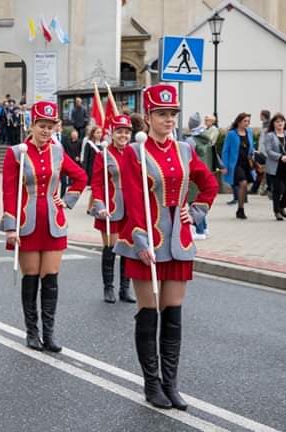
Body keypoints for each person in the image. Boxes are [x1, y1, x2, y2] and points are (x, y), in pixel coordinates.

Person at [114, 84, 218, 410]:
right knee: (150, 313)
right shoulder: (136, 152)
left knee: (173, 313)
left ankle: (171, 384)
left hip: (179, 241)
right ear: (147, 117)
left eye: (172, 113)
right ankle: (151, 384)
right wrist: (141, 239)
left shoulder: (185, 150)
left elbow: (209, 183)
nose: (169, 119)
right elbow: (132, 198)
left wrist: (197, 210)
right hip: (148, 238)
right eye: (162, 114)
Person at [0, 101, 87, 353]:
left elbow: (81, 176)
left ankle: (49, 334)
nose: (46, 131)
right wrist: (10, 226)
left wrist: (68, 199)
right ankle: (32, 332)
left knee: (50, 278)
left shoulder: (58, 151)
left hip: (53, 221)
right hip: (27, 222)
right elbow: (8, 190)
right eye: (42, 126)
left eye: (50, 126)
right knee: (32, 277)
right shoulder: (17, 152)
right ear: (32, 125)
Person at [90, 115, 136, 303]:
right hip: (110, 207)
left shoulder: (135, 153)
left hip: (131, 207)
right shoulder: (104, 155)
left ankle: (125, 289)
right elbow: (97, 183)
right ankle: (108, 287)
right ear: (112, 133)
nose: (123, 135)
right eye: (119, 131)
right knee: (111, 247)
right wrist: (99, 205)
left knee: (128, 248)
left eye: (126, 132)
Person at [262, 113, 286, 221]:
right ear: (273, 124)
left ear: (285, 123)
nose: (280, 123)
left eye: (282, 121)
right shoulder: (269, 135)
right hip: (275, 166)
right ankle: (277, 211)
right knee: (278, 190)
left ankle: (282, 206)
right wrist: (280, 157)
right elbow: (268, 151)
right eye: (277, 121)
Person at [221, 113, 254, 219]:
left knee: (244, 185)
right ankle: (241, 209)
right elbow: (225, 151)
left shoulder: (249, 132)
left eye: (248, 121)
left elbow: (251, 146)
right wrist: (224, 166)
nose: (247, 123)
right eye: (245, 121)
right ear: (239, 122)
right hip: (235, 164)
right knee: (243, 183)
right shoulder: (231, 134)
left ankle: (240, 208)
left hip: (246, 163)